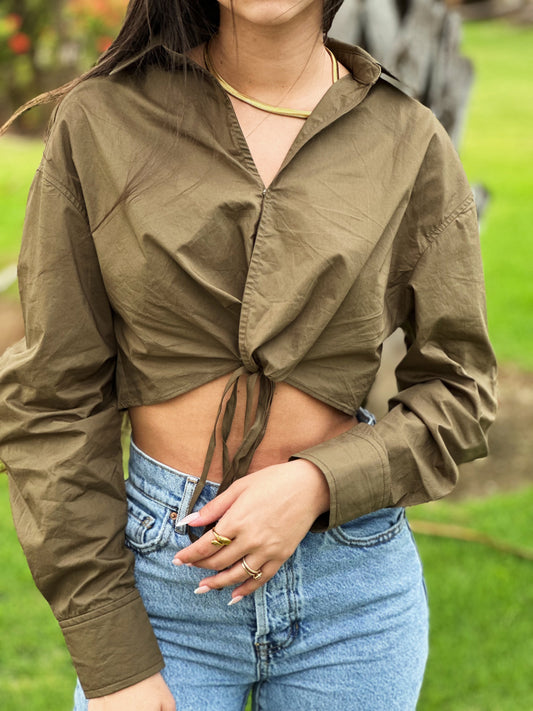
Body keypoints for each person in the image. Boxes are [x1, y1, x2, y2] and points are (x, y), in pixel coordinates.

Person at [0, 1, 497, 709]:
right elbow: (51, 399)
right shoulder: (102, 120)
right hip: (163, 591)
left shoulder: (407, 138)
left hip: (352, 596)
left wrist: (318, 484)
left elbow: (461, 391)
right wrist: (112, 657)